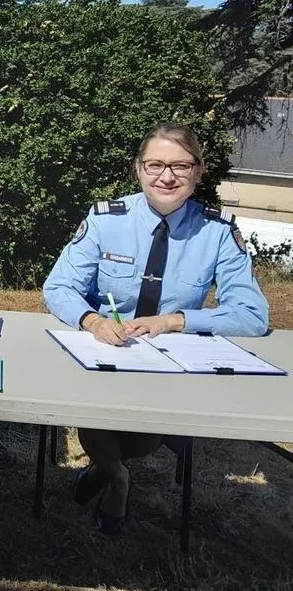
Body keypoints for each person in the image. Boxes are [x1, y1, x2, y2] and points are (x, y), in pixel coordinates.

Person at [43, 122, 269, 534]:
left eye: (180, 166)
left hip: (172, 362)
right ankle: (118, 478)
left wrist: (175, 321)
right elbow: (59, 287)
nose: (167, 176)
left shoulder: (217, 232)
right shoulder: (105, 220)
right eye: (155, 165)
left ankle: (105, 468)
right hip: (104, 350)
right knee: (93, 410)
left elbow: (252, 314)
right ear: (138, 168)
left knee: (146, 435)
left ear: (198, 171)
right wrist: (93, 321)